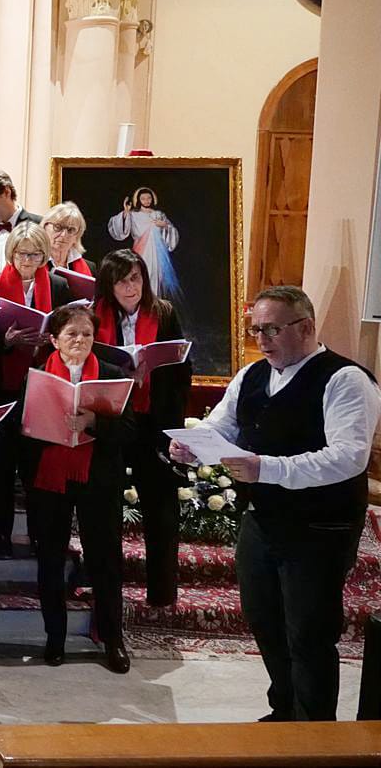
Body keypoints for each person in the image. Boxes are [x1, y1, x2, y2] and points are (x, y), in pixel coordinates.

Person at [169, 285, 379, 721]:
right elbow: (223, 424)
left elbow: (348, 457)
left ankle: (314, 730)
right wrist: (194, 444)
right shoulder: (252, 375)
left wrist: (268, 469)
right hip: (262, 519)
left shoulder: (345, 379)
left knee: (308, 632)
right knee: (263, 620)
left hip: (321, 526)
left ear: (306, 327)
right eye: (255, 329)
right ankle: (284, 712)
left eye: (271, 329)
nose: (260, 339)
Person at [26, 304, 133, 673]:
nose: (80, 341)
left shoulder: (112, 374)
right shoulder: (39, 375)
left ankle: (113, 640)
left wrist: (94, 423)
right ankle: (54, 638)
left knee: (105, 561)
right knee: (51, 561)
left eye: (87, 334)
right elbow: (24, 436)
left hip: (98, 479)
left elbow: (130, 433)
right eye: (71, 334)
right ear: (54, 340)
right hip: (50, 479)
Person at [95, 249, 191, 606]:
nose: (130, 286)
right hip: (115, 421)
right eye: (121, 280)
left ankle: (162, 591)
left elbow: (182, 373)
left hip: (155, 422)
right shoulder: (94, 316)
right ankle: (106, 585)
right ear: (109, 284)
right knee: (105, 509)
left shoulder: (163, 313)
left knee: (161, 508)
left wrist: (173, 431)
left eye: (135, 277)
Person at [0, 223, 72, 557]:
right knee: (1, 465)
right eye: (21, 253)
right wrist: (5, 340)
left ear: (44, 255)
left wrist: (54, 341)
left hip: (44, 387)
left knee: (35, 467)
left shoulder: (59, 286)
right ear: (11, 253)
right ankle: (1, 534)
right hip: (4, 386)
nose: (28, 260)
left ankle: (35, 533)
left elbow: (71, 332)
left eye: (34, 254)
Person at [107, 186, 179, 298]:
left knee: (155, 278)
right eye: (143, 198)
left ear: (153, 199)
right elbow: (122, 231)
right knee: (141, 276)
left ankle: (154, 305)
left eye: (148, 198)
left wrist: (165, 226)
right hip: (141, 252)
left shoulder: (159, 214)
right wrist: (126, 212)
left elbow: (171, 232)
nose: (146, 200)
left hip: (157, 254)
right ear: (139, 200)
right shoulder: (134, 215)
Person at [41, 201, 93, 276]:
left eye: (71, 230)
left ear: (77, 236)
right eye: (58, 227)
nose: (64, 235)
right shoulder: (31, 262)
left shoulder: (90, 267)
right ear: (45, 227)